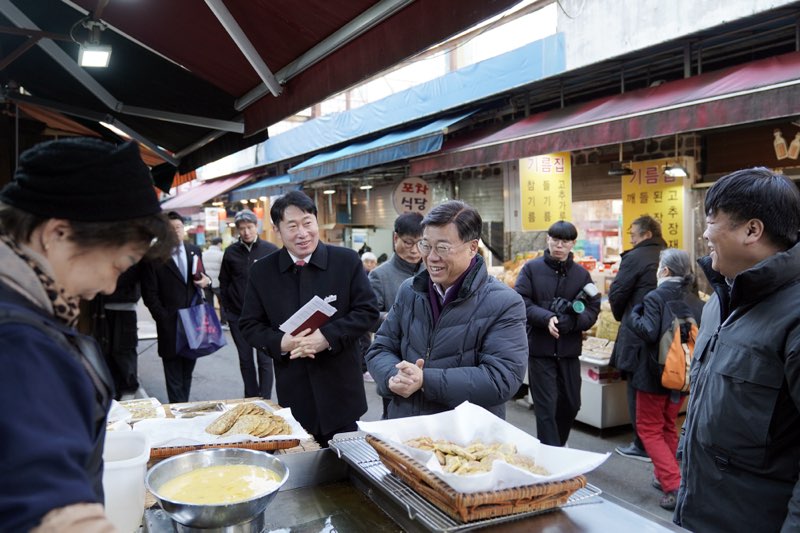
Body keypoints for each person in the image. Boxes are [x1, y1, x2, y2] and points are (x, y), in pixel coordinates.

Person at [0, 138, 174, 531]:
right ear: (57, 234)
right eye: (120, 263)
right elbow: (46, 509)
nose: (111, 287)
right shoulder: (17, 341)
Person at [674, 168, 800, 532]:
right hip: (699, 510)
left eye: (712, 220)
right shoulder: (719, 301)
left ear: (752, 230)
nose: (704, 233)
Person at [239, 191, 378, 446]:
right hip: (295, 390)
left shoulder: (346, 261)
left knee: (348, 468)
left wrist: (326, 337)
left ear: (316, 222)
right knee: (304, 467)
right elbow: (249, 325)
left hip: (342, 391)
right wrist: (283, 342)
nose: (302, 233)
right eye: (292, 226)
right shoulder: (262, 271)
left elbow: (367, 311)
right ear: (277, 231)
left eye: (307, 223)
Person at [366, 200, 527, 420]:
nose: (431, 257)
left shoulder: (505, 302)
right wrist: (394, 376)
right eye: (426, 245)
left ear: (472, 247)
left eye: (442, 248)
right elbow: (380, 348)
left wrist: (425, 380)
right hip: (405, 426)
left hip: (465, 440)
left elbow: (501, 379)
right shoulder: (410, 291)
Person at [624, 248, 703, 511]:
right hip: (683, 376)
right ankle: (665, 475)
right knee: (669, 425)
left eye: (660, 265)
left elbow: (648, 332)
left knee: (648, 429)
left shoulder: (655, 297)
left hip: (653, 377)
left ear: (665, 271)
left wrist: (633, 315)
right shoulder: (695, 298)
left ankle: (672, 483)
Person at [514, 221, 600, 446]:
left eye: (565, 241)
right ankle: (551, 454)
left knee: (571, 404)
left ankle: (558, 445)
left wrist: (572, 322)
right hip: (540, 350)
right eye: (555, 240)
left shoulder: (582, 275)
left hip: (569, 350)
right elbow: (520, 301)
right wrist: (546, 318)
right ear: (548, 239)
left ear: (572, 244)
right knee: (546, 407)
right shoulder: (531, 269)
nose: (559, 245)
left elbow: (593, 307)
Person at [608, 214, 666, 461]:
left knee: (637, 385)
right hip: (668, 333)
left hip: (638, 331)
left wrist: (625, 315)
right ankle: (660, 438)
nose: (630, 239)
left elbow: (618, 292)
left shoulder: (635, 257)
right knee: (663, 385)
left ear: (646, 235)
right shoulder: (670, 255)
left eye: (633, 235)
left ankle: (642, 443)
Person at [140, 211, 211, 403]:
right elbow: (150, 295)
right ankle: (177, 414)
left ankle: (184, 410)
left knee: (187, 374)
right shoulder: (153, 256)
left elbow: (202, 277)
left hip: (194, 322)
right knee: (173, 378)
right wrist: (163, 319)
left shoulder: (194, 250)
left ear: (183, 229)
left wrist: (207, 281)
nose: (176, 232)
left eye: (178, 228)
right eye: (171, 229)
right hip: (170, 324)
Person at [367, 212, 425, 412]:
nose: (415, 250)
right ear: (395, 238)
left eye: (421, 243)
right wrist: (399, 318)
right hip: (396, 362)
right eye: (408, 243)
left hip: (426, 366)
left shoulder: (432, 270)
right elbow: (370, 317)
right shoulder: (379, 275)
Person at [219, 209, 278, 399]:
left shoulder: (270, 250)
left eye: (250, 227)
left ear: (256, 227)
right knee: (245, 360)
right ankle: (251, 399)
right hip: (238, 315)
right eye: (242, 228)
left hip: (265, 318)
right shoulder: (230, 252)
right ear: (237, 230)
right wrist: (227, 310)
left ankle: (266, 400)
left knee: (265, 359)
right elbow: (224, 282)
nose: (246, 232)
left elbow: (280, 283)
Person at [92, 263, 143, 399]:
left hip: (124, 306)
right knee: (108, 351)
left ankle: (127, 390)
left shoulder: (131, 254)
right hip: (104, 306)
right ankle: (119, 390)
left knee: (123, 352)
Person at [203, 236, 226, 327]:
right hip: (218, 283)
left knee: (209, 303)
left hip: (207, 283)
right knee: (222, 303)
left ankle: (211, 322)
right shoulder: (221, 254)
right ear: (219, 244)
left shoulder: (204, 254)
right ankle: (223, 322)